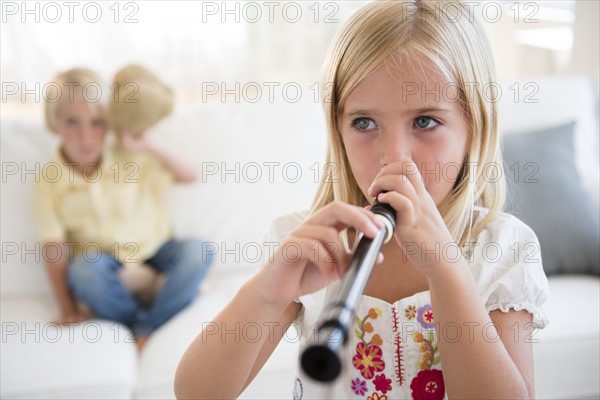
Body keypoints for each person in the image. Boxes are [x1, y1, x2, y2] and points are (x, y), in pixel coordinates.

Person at [175, 1, 549, 398]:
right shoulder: (308, 243)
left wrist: (445, 266)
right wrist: (265, 294)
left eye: (425, 121)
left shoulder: (503, 249)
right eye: (364, 123)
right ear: (339, 132)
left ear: (474, 126)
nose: (394, 155)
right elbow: (196, 393)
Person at [35, 67, 213, 352]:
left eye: (96, 122)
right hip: (106, 265)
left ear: (110, 122)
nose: (86, 136)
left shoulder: (128, 155)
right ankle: (134, 316)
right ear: (54, 123)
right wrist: (67, 309)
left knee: (200, 251)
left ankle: (148, 323)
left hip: (155, 251)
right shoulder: (48, 180)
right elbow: (54, 248)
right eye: (72, 122)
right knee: (83, 272)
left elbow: (191, 174)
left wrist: (148, 145)